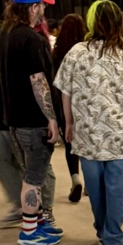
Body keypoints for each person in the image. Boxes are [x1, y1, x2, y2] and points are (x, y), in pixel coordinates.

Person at [54, 0, 123, 245]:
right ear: (119, 23)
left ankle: (101, 230)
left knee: (95, 190)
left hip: (88, 134)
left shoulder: (76, 53)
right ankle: (113, 238)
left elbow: (65, 93)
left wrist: (68, 123)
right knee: (116, 190)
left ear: (92, 22)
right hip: (119, 136)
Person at [0, 0, 63, 245]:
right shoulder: (32, 39)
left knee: (31, 171)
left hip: (13, 119)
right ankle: (29, 232)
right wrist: (52, 118)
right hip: (32, 121)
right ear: (33, 7)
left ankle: (38, 224)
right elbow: (39, 82)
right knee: (34, 177)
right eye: (41, 7)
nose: (43, 13)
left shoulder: (6, 33)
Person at [52, 13, 86, 203]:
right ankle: (90, 182)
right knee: (88, 142)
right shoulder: (85, 49)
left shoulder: (58, 52)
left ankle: (75, 177)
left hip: (63, 100)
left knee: (70, 140)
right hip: (83, 101)